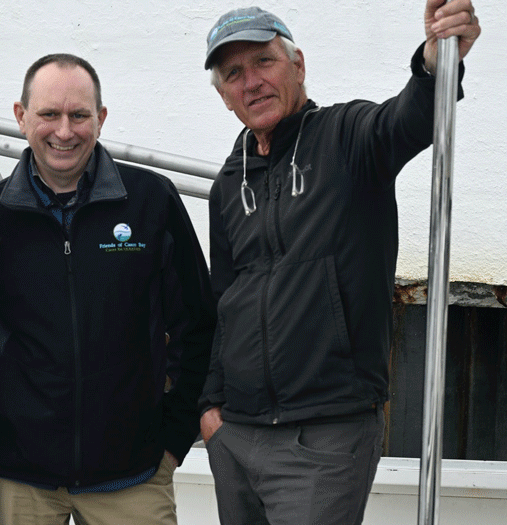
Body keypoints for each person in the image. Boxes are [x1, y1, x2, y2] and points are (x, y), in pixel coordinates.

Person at [198, 1, 481, 524]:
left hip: (324, 436)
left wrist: (435, 64)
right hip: (236, 434)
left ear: (298, 65)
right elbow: (225, 299)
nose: (252, 82)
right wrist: (211, 411)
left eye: (264, 62)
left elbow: (409, 119)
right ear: (223, 96)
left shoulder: (347, 137)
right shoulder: (227, 185)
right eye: (234, 73)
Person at [0, 53, 216, 525]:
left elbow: (198, 324)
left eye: (79, 115)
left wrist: (172, 439)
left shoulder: (151, 201)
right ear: (21, 117)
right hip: (20, 480)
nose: (64, 131)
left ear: (100, 119)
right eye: (48, 114)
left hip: (133, 478)